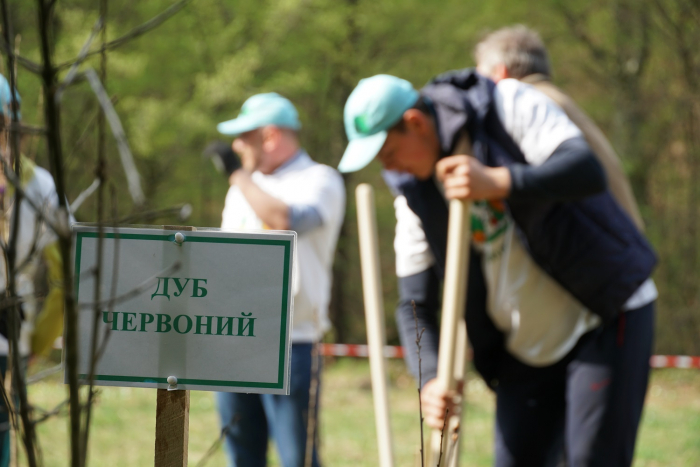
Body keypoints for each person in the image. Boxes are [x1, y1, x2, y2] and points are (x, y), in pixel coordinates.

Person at [338, 69, 656, 467]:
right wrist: (431, 377)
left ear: (416, 124)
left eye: (389, 155)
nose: (392, 170)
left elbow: (585, 170)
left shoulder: (506, 105)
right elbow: (415, 305)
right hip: (523, 350)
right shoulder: (414, 195)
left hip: (601, 315)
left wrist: (499, 181)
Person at [207, 92, 345, 467]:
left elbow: (287, 220)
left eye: (244, 137)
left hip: (291, 341)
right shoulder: (243, 188)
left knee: (296, 457)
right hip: (233, 336)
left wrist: (238, 175)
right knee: (241, 456)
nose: (237, 147)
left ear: (269, 136)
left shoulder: (319, 179)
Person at [474, 24, 644, 231]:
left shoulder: (532, 105)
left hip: (604, 250)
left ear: (500, 73)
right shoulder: (557, 101)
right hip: (625, 247)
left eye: (480, 77)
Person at [0, 74, 66, 467]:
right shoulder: (40, 185)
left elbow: (66, 278)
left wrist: (38, 342)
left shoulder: (39, 187)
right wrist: (38, 342)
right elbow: (68, 278)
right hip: (11, 342)